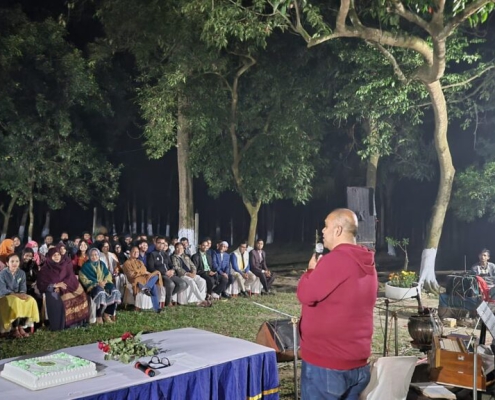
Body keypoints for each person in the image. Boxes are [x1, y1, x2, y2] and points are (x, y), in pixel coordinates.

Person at [297, 208, 377, 400]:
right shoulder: (367, 263)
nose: (323, 231)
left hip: (327, 365)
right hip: (357, 364)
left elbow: (305, 294)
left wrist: (310, 271)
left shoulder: (336, 259)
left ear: (338, 230)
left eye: (326, 226)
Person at [36, 247, 89, 331]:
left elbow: (71, 277)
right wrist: (55, 285)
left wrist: (62, 286)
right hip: (54, 290)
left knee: (81, 295)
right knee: (56, 295)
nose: (57, 257)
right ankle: (62, 325)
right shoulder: (45, 270)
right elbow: (42, 284)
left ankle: (77, 323)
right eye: (54, 255)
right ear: (49, 257)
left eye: (58, 254)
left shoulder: (65, 265)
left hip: (68, 287)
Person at [0, 254, 40, 338]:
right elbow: (3, 290)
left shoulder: (21, 273)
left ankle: (21, 326)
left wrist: (22, 294)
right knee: (16, 301)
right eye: (12, 261)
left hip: (18, 295)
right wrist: (16, 295)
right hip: (5, 296)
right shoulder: (2, 274)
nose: (15, 263)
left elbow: (23, 287)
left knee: (30, 300)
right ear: (7, 263)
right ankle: (14, 329)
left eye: (17, 261)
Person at [79, 248, 121, 324]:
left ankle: (107, 314)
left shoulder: (102, 264)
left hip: (104, 283)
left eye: (96, 255)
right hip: (93, 286)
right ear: (89, 256)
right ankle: (98, 316)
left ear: (99, 256)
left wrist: (104, 281)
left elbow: (108, 274)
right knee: (100, 293)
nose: (94, 257)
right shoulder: (85, 266)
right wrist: (97, 283)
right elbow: (83, 279)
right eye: (92, 255)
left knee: (114, 291)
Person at [147, 237, 187, 306]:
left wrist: (172, 270)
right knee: (171, 284)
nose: (161, 245)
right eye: (159, 243)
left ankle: (167, 298)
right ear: (155, 243)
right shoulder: (152, 254)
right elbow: (151, 268)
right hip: (160, 275)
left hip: (170, 274)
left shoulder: (165, 254)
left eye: (163, 243)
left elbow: (171, 264)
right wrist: (164, 273)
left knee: (183, 284)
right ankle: (168, 302)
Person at [122, 247, 163, 313]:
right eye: (134, 251)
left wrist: (148, 274)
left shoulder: (140, 261)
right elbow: (131, 275)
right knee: (153, 287)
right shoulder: (126, 263)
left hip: (144, 278)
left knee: (157, 274)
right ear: (130, 253)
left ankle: (147, 287)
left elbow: (144, 270)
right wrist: (141, 272)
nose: (136, 253)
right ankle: (156, 308)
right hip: (135, 280)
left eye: (137, 252)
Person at [171, 242, 210, 307]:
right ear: (175, 249)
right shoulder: (173, 257)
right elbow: (176, 268)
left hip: (191, 273)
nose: (179, 249)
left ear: (183, 249)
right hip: (182, 275)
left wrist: (194, 272)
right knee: (191, 282)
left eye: (181, 248)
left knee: (203, 281)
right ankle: (202, 300)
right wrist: (187, 273)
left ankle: (200, 302)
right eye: (177, 248)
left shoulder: (185, 256)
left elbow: (193, 265)